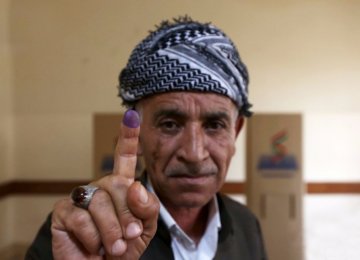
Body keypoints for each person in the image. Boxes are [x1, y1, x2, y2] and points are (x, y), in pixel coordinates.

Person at [26, 16, 267, 260]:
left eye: (215, 125)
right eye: (170, 124)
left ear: (235, 131)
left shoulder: (246, 226)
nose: (194, 154)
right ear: (137, 134)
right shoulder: (82, 236)